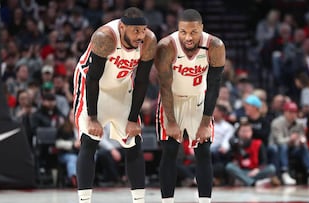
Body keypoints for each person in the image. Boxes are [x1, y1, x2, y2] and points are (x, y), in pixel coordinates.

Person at [73, 7, 157, 203]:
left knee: (133, 141)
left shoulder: (149, 41)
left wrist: (132, 119)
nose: (141, 36)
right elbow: (93, 79)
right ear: (121, 28)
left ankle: (139, 200)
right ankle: (84, 200)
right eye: (135, 31)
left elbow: (143, 80)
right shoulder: (105, 37)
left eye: (143, 30)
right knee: (89, 140)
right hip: (92, 86)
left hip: (121, 86)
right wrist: (93, 118)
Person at [155, 9, 225, 203]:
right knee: (169, 151)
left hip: (199, 100)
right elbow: (165, 86)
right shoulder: (167, 45)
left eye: (194, 32)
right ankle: (166, 201)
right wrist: (170, 120)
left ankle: (205, 201)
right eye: (183, 31)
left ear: (201, 28)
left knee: (203, 152)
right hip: (172, 100)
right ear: (178, 29)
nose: (188, 37)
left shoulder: (215, 45)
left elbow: (214, 86)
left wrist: (204, 123)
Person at [270, 101, 309, 185]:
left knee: (304, 147)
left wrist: (301, 141)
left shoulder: (299, 124)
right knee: (283, 146)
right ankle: (284, 173)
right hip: (278, 149)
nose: (293, 115)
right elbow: (278, 140)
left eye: (294, 112)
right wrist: (290, 139)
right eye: (290, 112)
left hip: (292, 149)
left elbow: (302, 137)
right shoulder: (276, 123)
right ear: (285, 112)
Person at [225, 122, 276, 187]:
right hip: (242, 171)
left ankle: (245, 181)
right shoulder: (235, 144)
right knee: (229, 167)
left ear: (251, 132)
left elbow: (264, 161)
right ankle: (253, 183)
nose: (245, 134)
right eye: (243, 131)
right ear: (238, 132)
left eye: (248, 131)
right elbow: (230, 159)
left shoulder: (258, 143)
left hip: (255, 171)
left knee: (272, 168)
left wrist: (257, 170)